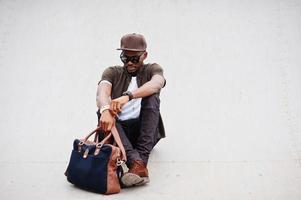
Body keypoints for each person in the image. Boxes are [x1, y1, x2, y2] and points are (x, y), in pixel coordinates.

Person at [96, 33, 166, 187]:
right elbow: (102, 92)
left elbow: (156, 84)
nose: (129, 63)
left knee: (152, 96)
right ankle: (138, 165)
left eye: (134, 59)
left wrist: (128, 96)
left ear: (144, 55)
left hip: (144, 130)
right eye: (124, 58)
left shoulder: (153, 69)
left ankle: (137, 162)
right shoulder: (112, 72)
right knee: (102, 110)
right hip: (118, 133)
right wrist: (106, 109)